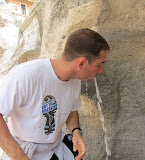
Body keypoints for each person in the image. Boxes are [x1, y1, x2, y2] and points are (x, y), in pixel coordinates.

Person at [0, 28, 109, 160]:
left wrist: (75, 131)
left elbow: (71, 109)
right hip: (23, 151)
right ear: (82, 63)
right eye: (99, 64)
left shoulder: (74, 80)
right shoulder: (25, 76)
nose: (101, 71)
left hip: (54, 148)